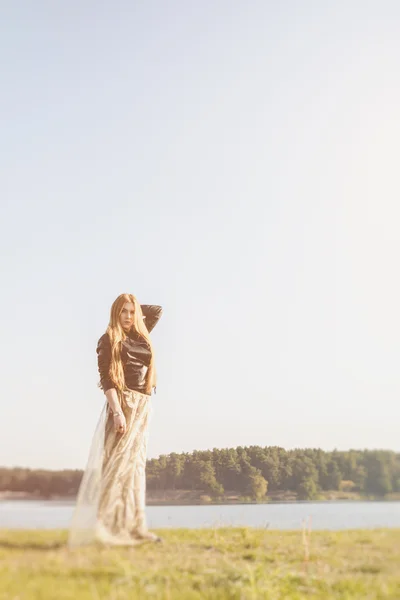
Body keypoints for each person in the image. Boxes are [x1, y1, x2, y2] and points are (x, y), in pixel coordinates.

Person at [68, 293, 163, 547]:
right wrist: (118, 412)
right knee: (116, 467)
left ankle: (135, 526)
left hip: (143, 404)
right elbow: (107, 379)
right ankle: (104, 526)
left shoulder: (140, 336)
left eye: (132, 312)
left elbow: (156, 310)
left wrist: (130, 302)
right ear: (115, 314)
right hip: (123, 403)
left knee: (135, 468)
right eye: (123, 312)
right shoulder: (108, 339)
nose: (129, 317)